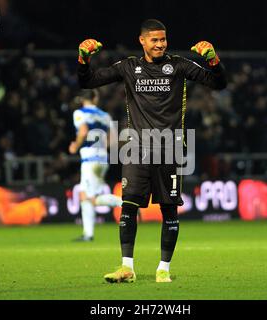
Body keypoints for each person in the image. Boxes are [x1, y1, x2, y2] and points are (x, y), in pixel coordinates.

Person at [77, 19, 227, 282]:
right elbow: (88, 81)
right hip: (136, 149)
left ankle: (163, 269)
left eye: (163, 40)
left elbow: (218, 83)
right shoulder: (129, 66)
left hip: (169, 148)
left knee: (169, 210)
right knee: (128, 206)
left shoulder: (178, 65)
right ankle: (127, 267)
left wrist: (213, 61)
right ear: (142, 41)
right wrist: (83, 59)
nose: (160, 44)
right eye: (154, 40)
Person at [69, 89, 123, 241]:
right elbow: (113, 141)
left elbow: (83, 130)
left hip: (89, 159)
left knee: (90, 197)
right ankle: (88, 234)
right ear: (95, 98)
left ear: (83, 99)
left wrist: (75, 145)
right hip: (102, 158)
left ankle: (126, 204)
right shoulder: (105, 116)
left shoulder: (80, 113)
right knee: (85, 195)